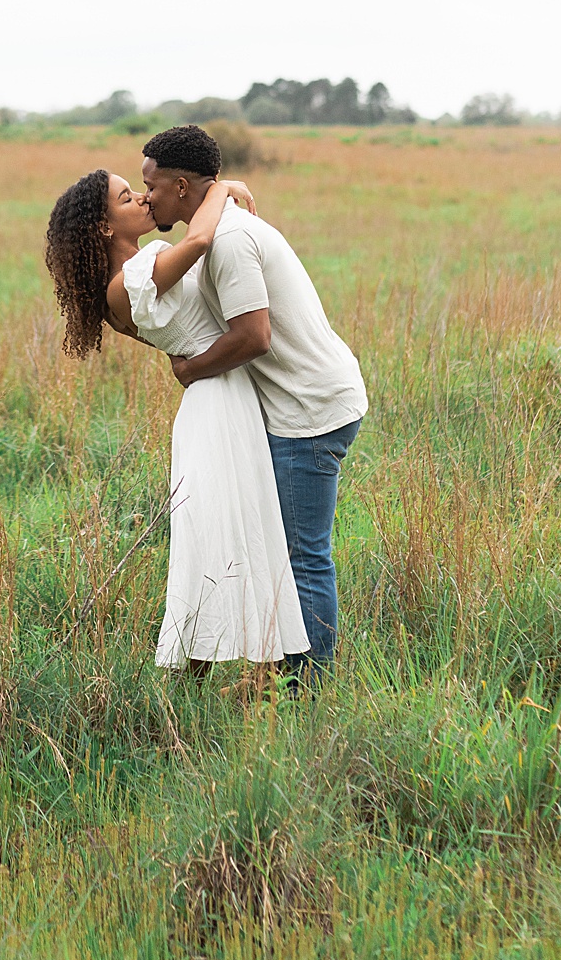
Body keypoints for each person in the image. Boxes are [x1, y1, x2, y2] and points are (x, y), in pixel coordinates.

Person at [44, 166, 310, 673]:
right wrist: (223, 187)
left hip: (215, 394)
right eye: (128, 198)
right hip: (218, 402)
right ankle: (239, 670)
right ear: (105, 228)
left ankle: (228, 673)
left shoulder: (128, 282)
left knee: (221, 532)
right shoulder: (132, 282)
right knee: (223, 536)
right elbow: (203, 236)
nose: (144, 198)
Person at [140, 124, 368, 679]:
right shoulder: (216, 228)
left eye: (151, 185)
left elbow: (254, 336)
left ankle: (309, 693)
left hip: (309, 411)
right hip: (303, 403)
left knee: (301, 559)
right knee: (292, 553)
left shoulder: (229, 241)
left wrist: (190, 370)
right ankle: (293, 680)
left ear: (182, 187)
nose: (146, 198)